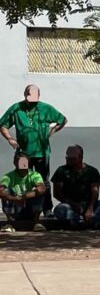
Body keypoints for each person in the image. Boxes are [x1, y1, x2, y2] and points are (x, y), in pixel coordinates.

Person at [0, 85, 67, 214]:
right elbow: (2, 124)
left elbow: (62, 119)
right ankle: (26, 209)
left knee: (43, 181)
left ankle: (47, 209)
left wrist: (53, 130)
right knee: (23, 179)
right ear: (25, 94)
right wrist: (10, 139)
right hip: (23, 154)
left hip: (42, 152)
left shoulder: (45, 108)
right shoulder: (16, 108)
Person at [51, 144, 100, 229]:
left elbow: (95, 192)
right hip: (70, 205)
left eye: (72, 159)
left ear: (80, 158)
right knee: (59, 210)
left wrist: (90, 208)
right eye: (67, 158)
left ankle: (87, 220)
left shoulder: (92, 171)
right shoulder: (61, 171)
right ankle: (88, 222)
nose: (69, 161)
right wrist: (73, 205)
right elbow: (57, 194)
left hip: (89, 204)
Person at [0, 151, 46, 232]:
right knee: (6, 191)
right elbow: (0, 191)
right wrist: (16, 199)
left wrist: (24, 197)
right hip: (15, 208)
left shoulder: (34, 175)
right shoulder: (8, 176)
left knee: (39, 191)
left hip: (29, 208)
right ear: (15, 163)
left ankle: (37, 223)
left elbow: (42, 188)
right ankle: (9, 223)